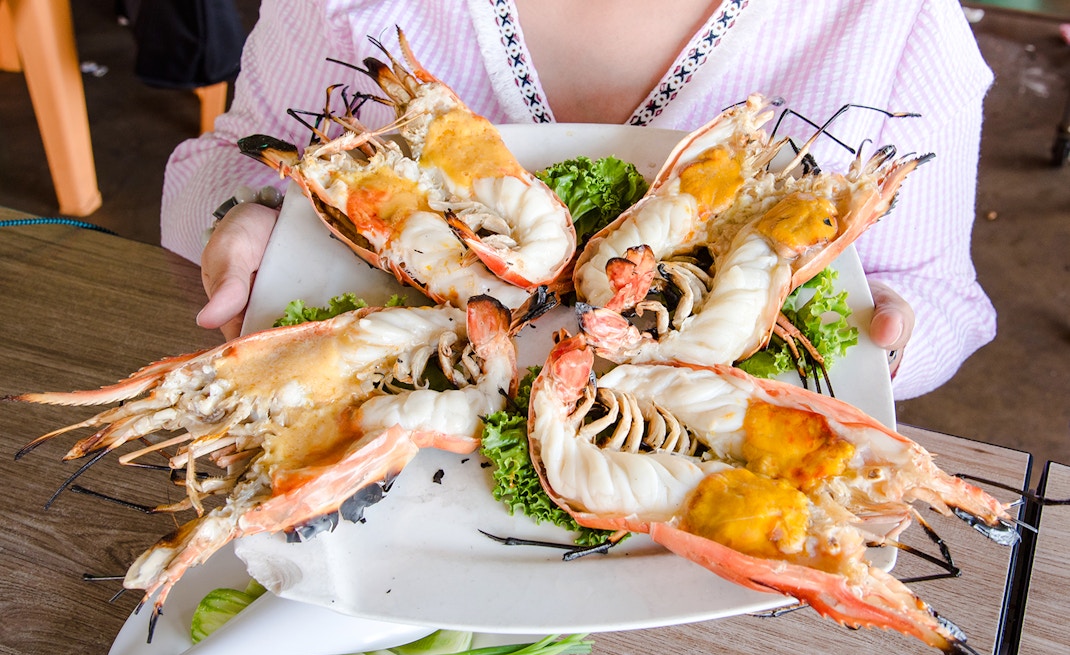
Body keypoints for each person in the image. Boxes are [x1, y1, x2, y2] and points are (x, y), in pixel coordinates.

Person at [160, 0, 996, 400]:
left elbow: (942, 299)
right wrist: (242, 221)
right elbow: (224, 162)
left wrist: (882, 338)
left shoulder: (901, 25)